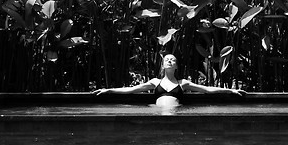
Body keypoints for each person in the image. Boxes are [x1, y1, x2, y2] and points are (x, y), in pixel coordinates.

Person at [92, 54, 246, 107]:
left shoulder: (183, 83)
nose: (170, 61)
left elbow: (207, 89)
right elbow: (130, 90)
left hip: (176, 113)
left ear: (176, 65)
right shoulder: (154, 82)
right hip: (157, 113)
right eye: (167, 60)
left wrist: (230, 90)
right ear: (163, 65)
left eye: (173, 60)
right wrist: (109, 90)